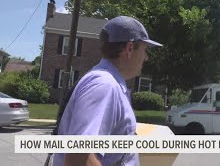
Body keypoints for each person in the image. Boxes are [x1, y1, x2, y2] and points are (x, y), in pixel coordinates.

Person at [51, 16, 163, 166]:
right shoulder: (104, 86)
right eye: (144, 50)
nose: (146, 58)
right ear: (130, 48)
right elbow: (79, 157)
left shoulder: (108, 83)